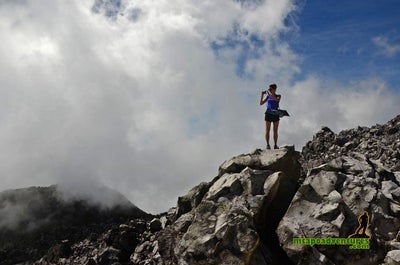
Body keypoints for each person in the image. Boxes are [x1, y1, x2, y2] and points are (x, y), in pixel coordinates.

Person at [260, 84, 281, 149]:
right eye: (269, 89)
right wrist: (262, 95)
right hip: (268, 112)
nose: (270, 90)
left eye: (271, 89)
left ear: (274, 89)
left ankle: (275, 145)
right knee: (267, 130)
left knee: (275, 130)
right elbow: (261, 103)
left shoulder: (278, 96)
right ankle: (268, 145)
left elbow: (276, 100)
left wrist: (268, 93)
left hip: (275, 113)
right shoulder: (268, 96)